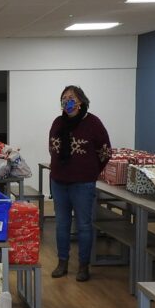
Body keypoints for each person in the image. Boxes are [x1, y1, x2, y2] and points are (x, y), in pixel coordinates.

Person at [48, 85, 111, 282]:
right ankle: (62, 262)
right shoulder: (58, 123)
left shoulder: (93, 123)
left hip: (83, 184)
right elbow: (52, 149)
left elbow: (105, 152)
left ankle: (84, 266)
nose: (68, 101)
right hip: (59, 182)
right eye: (64, 98)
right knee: (61, 224)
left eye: (71, 97)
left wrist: (90, 171)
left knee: (84, 225)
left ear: (81, 101)